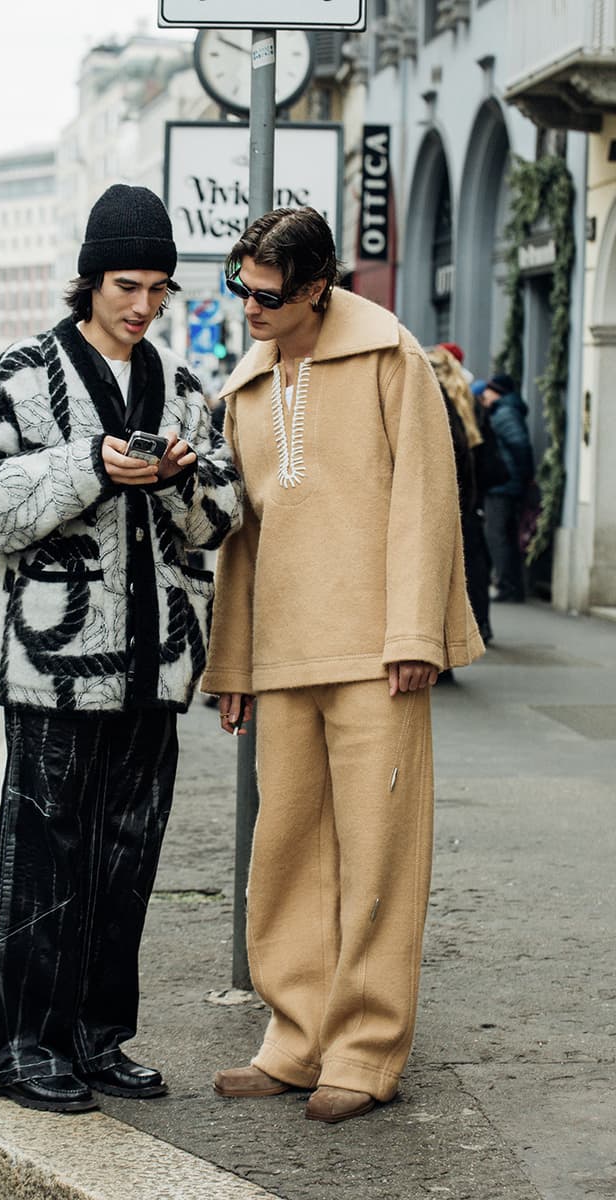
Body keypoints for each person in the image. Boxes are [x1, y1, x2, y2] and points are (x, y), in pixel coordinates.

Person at [0, 184, 242, 1115]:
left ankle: (96, 1039)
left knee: (126, 862)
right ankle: (20, 1048)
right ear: (89, 280)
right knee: (43, 860)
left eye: (158, 287)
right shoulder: (25, 373)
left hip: (156, 669)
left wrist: (181, 480)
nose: (143, 304)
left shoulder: (184, 388)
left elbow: (225, 517)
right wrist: (85, 465)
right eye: (126, 283)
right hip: (54, 673)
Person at [200, 207, 483, 1124]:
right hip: (282, 651)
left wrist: (414, 635)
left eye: (266, 292)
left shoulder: (391, 360)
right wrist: (232, 664)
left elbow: (425, 503)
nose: (248, 304)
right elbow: (242, 539)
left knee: (377, 854)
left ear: (318, 287)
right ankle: (294, 1038)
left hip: (375, 651)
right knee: (282, 854)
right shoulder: (241, 387)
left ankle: (363, 1052)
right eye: (237, 286)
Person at [426, 345, 492, 646]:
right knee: (468, 570)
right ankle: (473, 631)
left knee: (438, 576)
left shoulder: (432, 397)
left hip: (443, 500)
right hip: (467, 500)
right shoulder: (469, 401)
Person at [479, 373, 534, 602]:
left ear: (497, 392)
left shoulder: (504, 413)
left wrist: (522, 476)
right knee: (503, 535)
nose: (484, 396)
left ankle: (507, 586)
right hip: (507, 483)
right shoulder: (504, 412)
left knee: (497, 535)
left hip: (503, 485)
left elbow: (520, 445)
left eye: (488, 392)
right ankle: (510, 585)